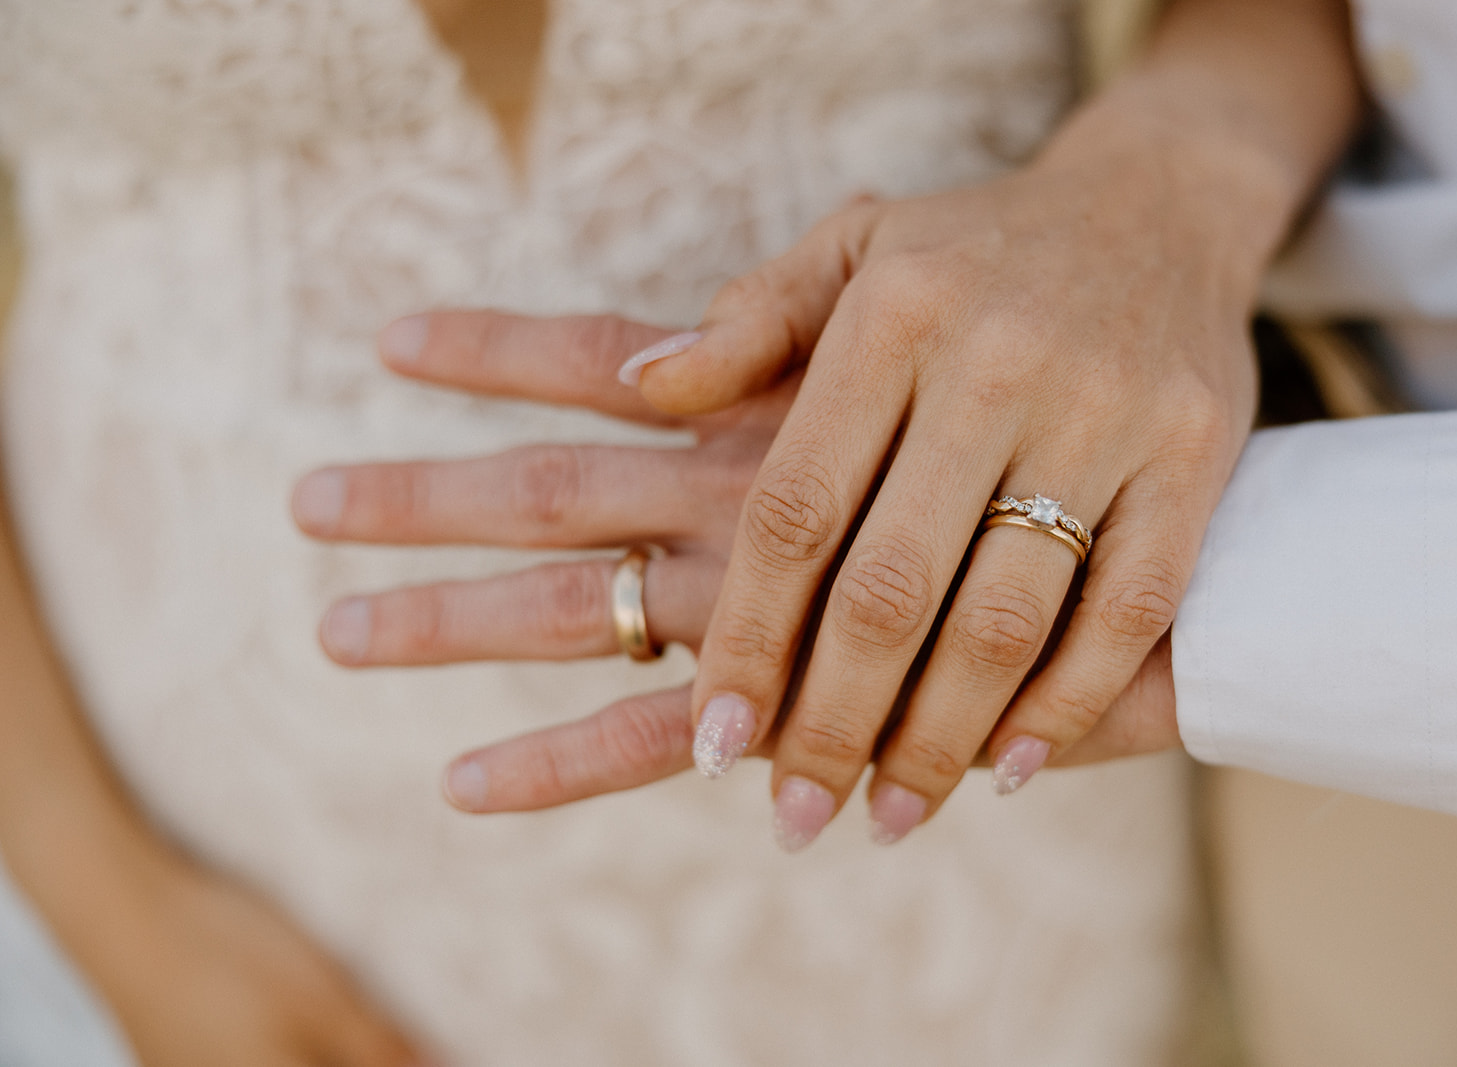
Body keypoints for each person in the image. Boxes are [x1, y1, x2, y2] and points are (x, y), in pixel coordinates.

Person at [0, 0, 1300, 1062]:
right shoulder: (144, 918)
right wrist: (116, 909)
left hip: (960, 755)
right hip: (223, 856)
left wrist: (1168, 192)